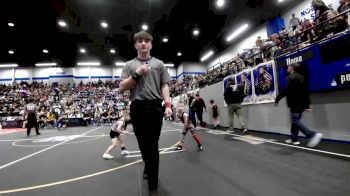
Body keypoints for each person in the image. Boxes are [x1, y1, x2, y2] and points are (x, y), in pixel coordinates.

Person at [119, 31, 172, 192]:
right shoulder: (129, 65)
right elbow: (122, 87)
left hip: (156, 106)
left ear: (151, 44)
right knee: (143, 144)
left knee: (153, 144)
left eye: (146, 41)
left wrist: (168, 105)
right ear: (135, 44)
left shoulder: (159, 64)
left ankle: (152, 184)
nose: (143, 43)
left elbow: (164, 85)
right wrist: (137, 74)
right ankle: (148, 166)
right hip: (138, 107)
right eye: (140, 41)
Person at [275, 63, 323, 147]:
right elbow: (305, 91)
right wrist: (307, 105)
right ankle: (294, 139)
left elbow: (286, 91)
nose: (287, 68)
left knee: (295, 121)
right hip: (301, 103)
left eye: (289, 67)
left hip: (294, 103)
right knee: (295, 122)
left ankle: (312, 134)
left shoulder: (290, 78)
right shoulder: (301, 77)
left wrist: (277, 99)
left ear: (292, 68)